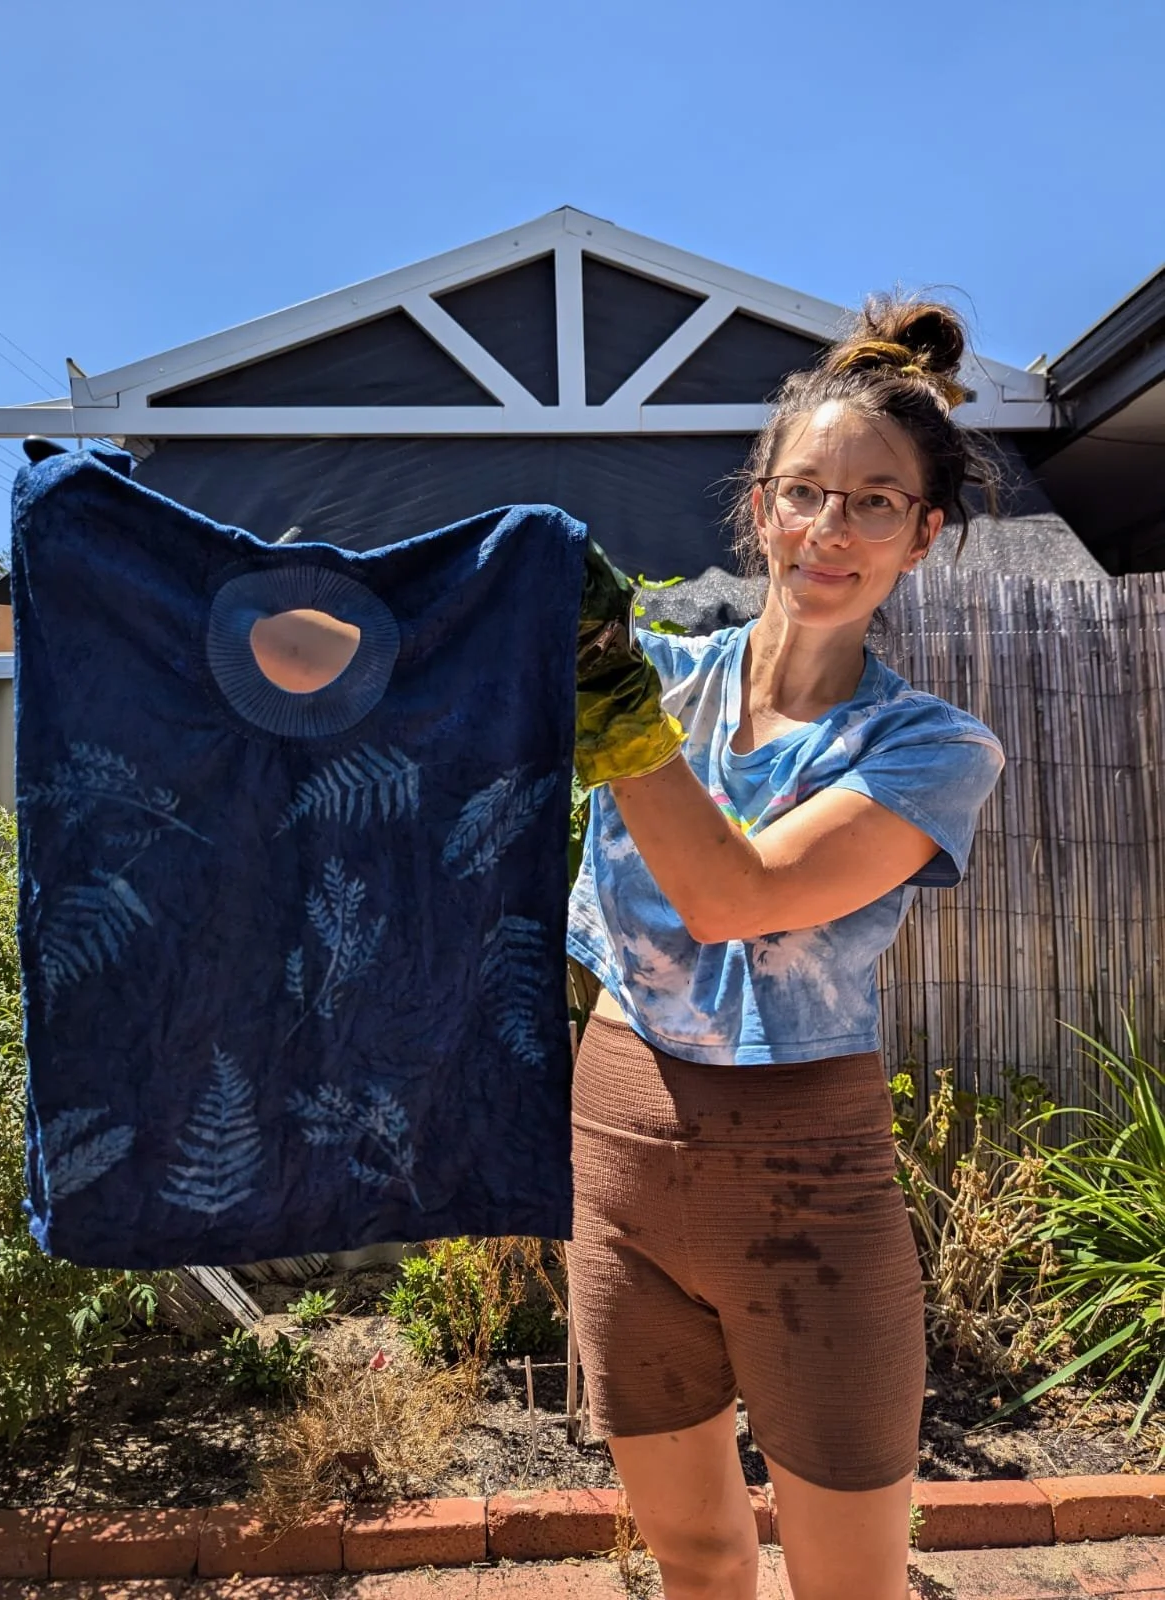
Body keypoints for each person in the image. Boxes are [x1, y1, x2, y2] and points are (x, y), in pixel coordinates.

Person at [566, 296, 1006, 1600]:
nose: (830, 528)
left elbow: (732, 898)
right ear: (759, 509)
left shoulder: (931, 749)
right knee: (696, 1562)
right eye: (805, 493)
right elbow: (378, 666)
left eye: (874, 503)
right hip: (615, 1163)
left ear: (924, 535)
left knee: (849, 1585)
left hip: (808, 1190)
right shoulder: (659, 674)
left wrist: (608, 705)